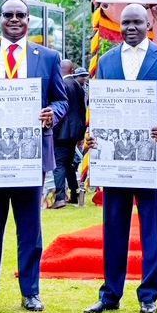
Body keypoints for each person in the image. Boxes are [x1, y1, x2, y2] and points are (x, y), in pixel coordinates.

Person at [0, 0, 68, 313]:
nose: (14, 19)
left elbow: (61, 100)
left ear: (29, 20)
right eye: (8, 15)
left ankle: (31, 292)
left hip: (31, 156)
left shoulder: (48, 57)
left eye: (20, 15)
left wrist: (53, 113)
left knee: (30, 228)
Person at [84, 3, 157, 313]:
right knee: (114, 226)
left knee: (152, 227)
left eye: (137, 22)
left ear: (149, 23)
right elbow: (101, 105)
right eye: (126, 22)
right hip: (114, 157)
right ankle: (110, 295)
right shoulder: (107, 60)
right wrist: (95, 137)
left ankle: (148, 294)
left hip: (151, 156)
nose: (131, 28)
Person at [51, 59, 87, 209]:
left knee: (58, 164)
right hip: (75, 132)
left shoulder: (62, 85)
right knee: (68, 164)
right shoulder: (78, 86)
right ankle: (74, 194)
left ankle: (60, 198)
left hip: (62, 132)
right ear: (72, 70)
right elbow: (82, 110)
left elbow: (60, 110)